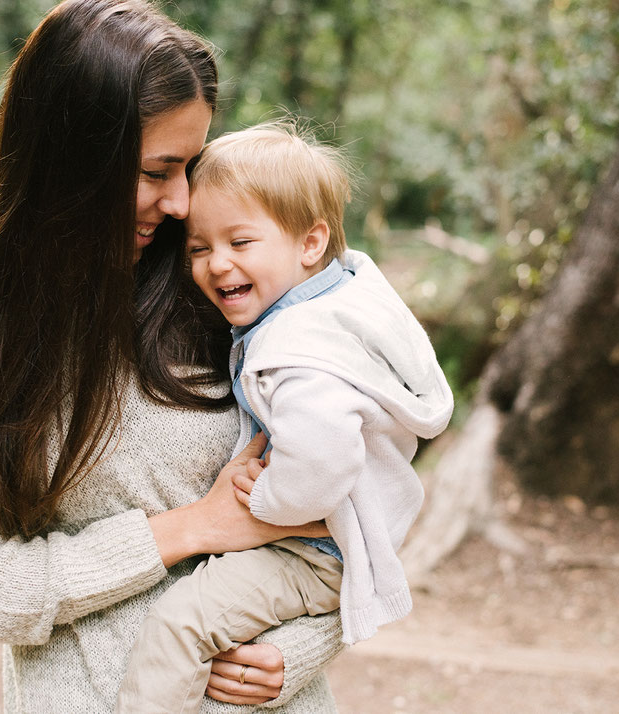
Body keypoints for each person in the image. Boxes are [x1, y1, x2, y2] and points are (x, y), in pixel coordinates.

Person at [0, 2, 346, 712]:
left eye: (190, 166)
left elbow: (350, 507)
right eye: (158, 170)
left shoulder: (217, 282)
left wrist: (301, 652)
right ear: (71, 160)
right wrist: (186, 529)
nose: (185, 201)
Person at [115, 123, 454, 713]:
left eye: (240, 243)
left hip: (307, 552)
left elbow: (323, 460)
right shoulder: (343, 302)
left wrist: (266, 504)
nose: (217, 265)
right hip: (325, 546)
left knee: (177, 626)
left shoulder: (300, 352)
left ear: (309, 244)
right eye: (199, 248)